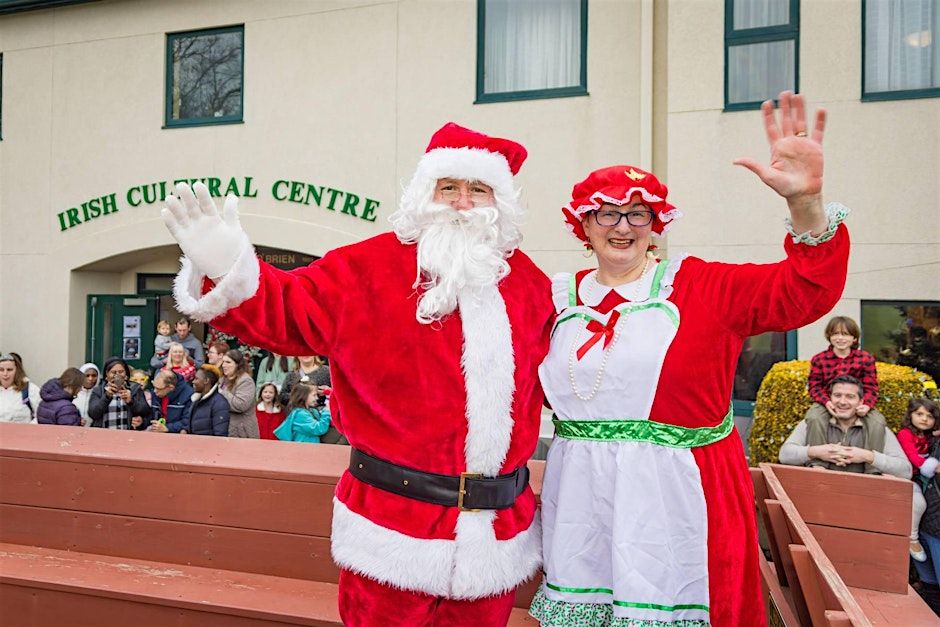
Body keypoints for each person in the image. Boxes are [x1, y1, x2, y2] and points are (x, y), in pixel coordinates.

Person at [163, 122, 553, 626]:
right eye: (448, 187)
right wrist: (227, 264)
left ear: (498, 201)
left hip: (495, 536)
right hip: (390, 530)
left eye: (477, 189)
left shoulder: (531, 285)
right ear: (424, 192)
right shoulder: (366, 268)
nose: (461, 202)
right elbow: (287, 310)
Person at [531, 92, 847, 627]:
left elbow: (805, 292)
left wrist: (805, 204)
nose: (623, 226)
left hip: (683, 501)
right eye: (608, 212)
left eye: (639, 213)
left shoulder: (702, 286)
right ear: (583, 225)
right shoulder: (550, 299)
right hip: (583, 504)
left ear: (656, 225)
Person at [779, 376, 911, 478]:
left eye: (850, 397)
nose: (842, 402)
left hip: (863, 497)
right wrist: (816, 452)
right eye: (837, 395)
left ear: (861, 402)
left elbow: (906, 471)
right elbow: (784, 455)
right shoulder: (813, 422)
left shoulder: (876, 427)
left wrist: (868, 456)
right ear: (829, 398)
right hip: (820, 493)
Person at [805, 316, 886, 472]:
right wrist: (826, 401)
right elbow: (814, 386)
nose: (840, 338)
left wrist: (866, 405)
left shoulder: (865, 359)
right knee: (814, 417)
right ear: (829, 336)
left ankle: (873, 469)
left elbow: (871, 386)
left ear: (854, 338)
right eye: (836, 334)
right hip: (829, 401)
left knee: (878, 421)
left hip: (856, 403)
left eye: (845, 334)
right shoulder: (820, 359)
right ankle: (818, 464)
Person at [897, 397, 940, 562]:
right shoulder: (905, 434)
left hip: (921, 477)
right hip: (907, 475)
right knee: (919, 503)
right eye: (919, 414)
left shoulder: (928, 435)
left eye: (929, 416)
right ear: (910, 415)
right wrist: (934, 467)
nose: (924, 419)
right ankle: (912, 538)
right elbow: (912, 456)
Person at [88, 356, 152, 430]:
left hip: (128, 436)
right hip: (104, 436)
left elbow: (146, 412)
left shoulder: (135, 388)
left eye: (121, 372)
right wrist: (107, 397)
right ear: (106, 375)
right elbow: (93, 414)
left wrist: (131, 401)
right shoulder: (98, 391)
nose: (117, 375)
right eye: (113, 372)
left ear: (126, 375)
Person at [219, 349, 259, 438]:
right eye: (223, 362)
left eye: (228, 362)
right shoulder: (222, 379)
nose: (224, 365)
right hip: (225, 429)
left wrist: (222, 392)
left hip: (242, 433)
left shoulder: (246, 381)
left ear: (237, 364)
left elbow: (240, 405)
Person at [187, 364, 230, 436]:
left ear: (206, 381)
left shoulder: (220, 403)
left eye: (196, 379)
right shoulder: (196, 400)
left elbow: (220, 435)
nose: (193, 382)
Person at [0, 352, 40, 423]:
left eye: (9, 370)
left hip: (23, 433)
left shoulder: (30, 389)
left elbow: (41, 416)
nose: (5, 374)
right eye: (1, 370)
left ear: (17, 371)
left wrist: (27, 430)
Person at [73, 363, 100, 427]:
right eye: (87, 375)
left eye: (94, 376)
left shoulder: (100, 394)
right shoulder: (74, 393)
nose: (90, 379)